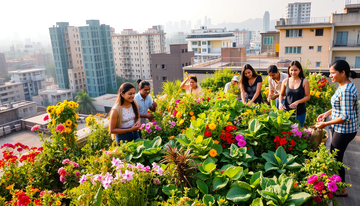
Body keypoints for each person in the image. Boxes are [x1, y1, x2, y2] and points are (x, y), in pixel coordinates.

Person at [315, 60, 359, 197]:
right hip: (342, 128)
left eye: (333, 73)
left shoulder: (346, 90)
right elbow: (339, 106)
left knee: (335, 159)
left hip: (344, 130)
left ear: (343, 72)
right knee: (336, 156)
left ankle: (342, 189)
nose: (330, 75)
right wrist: (327, 114)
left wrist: (325, 124)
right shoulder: (344, 85)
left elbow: (345, 116)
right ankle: (338, 184)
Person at [279, 60, 310, 127]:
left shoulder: (304, 81)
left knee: (299, 131)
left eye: (295, 70)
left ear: (300, 70)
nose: (293, 72)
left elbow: (307, 96)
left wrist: (297, 102)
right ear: (289, 70)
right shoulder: (285, 81)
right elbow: (281, 94)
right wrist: (280, 103)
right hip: (287, 112)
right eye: (291, 70)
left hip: (300, 111)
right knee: (287, 131)